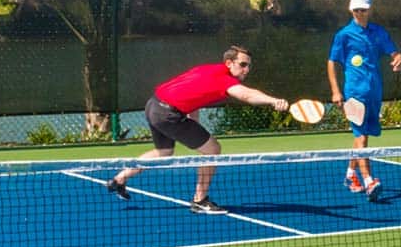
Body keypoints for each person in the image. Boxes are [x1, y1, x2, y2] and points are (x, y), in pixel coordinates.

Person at [105, 46, 290, 215]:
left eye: (249, 66)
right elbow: (247, 95)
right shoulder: (224, 79)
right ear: (229, 63)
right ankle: (200, 200)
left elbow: (193, 96)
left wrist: (195, 125)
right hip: (167, 114)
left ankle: (119, 179)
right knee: (212, 149)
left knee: (164, 151)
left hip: (153, 105)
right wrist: (273, 101)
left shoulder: (206, 70)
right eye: (242, 65)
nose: (246, 70)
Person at [328, 0, 401, 199]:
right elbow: (331, 62)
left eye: (363, 9)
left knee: (362, 135)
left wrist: (397, 58)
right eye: (356, 10)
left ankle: (350, 174)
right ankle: (370, 181)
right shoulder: (343, 35)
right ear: (351, 10)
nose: (360, 13)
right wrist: (335, 91)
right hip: (353, 94)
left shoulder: (378, 32)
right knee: (361, 136)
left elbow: (393, 52)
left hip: (374, 92)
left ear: (370, 10)